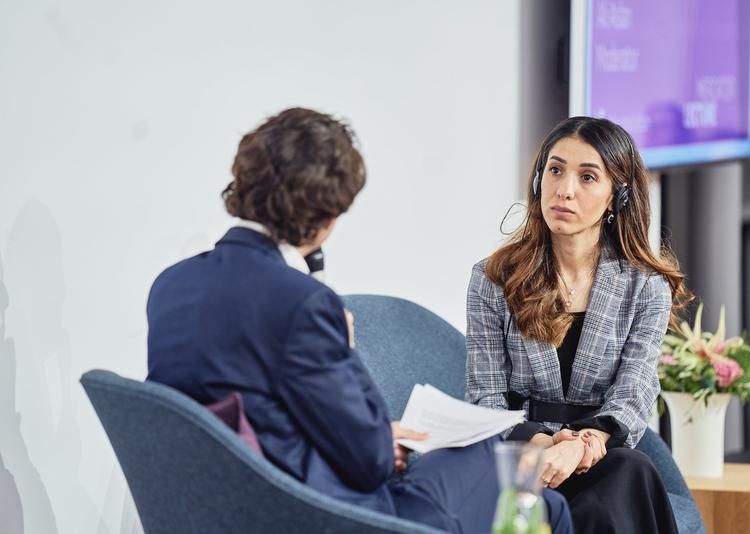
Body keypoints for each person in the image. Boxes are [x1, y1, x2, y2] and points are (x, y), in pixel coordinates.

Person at [146, 107, 573, 534]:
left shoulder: (171, 286)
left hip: (224, 508)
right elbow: (369, 465)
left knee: (521, 492)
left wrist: (369, 438)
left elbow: (248, 408)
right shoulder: (305, 304)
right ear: (329, 218)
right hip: (329, 517)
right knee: (507, 472)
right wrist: (352, 368)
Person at [467, 116, 692, 533]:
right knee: (619, 487)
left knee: (629, 471)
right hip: (518, 452)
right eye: (555, 170)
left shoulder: (645, 287)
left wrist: (583, 445)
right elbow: (485, 398)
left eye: (588, 177)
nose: (564, 190)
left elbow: (634, 392)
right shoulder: (493, 278)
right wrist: (544, 445)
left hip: (601, 454)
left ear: (616, 197)